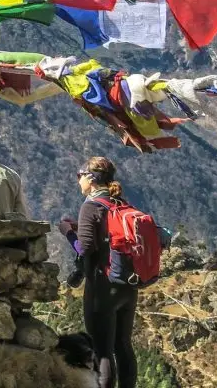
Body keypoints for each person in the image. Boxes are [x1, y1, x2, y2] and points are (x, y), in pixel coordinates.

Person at [72, 156, 137, 388]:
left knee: (103, 351)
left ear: (91, 178)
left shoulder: (90, 206)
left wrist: (69, 233)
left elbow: (86, 248)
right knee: (123, 345)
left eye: (80, 175)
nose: (78, 180)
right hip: (127, 285)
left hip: (102, 285)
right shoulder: (121, 204)